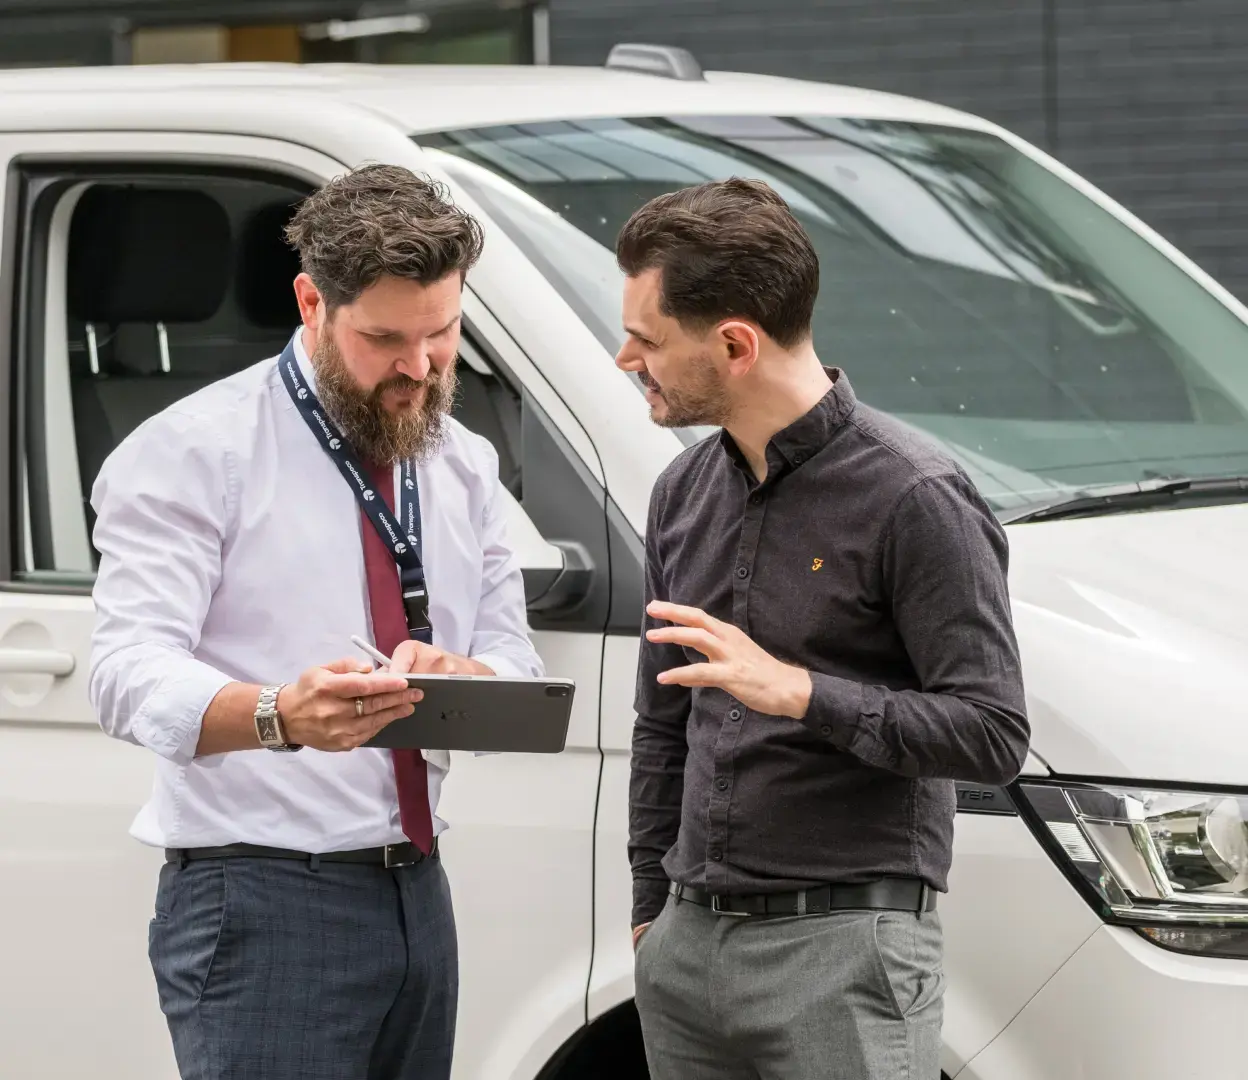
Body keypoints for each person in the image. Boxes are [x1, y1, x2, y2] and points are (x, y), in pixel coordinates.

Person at [88, 164, 542, 1080]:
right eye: (384, 339)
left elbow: (510, 653)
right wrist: (277, 716)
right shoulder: (193, 451)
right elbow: (124, 670)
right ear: (311, 302)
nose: (419, 367)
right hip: (256, 897)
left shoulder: (461, 458)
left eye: (443, 333)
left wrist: (470, 681)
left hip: (419, 891)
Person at [616, 178, 1031, 1080]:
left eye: (646, 340)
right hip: (686, 954)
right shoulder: (680, 495)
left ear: (734, 344)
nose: (625, 358)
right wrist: (653, 912)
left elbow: (994, 733)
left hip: (846, 956)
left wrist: (799, 692)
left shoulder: (916, 498)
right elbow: (662, 726)